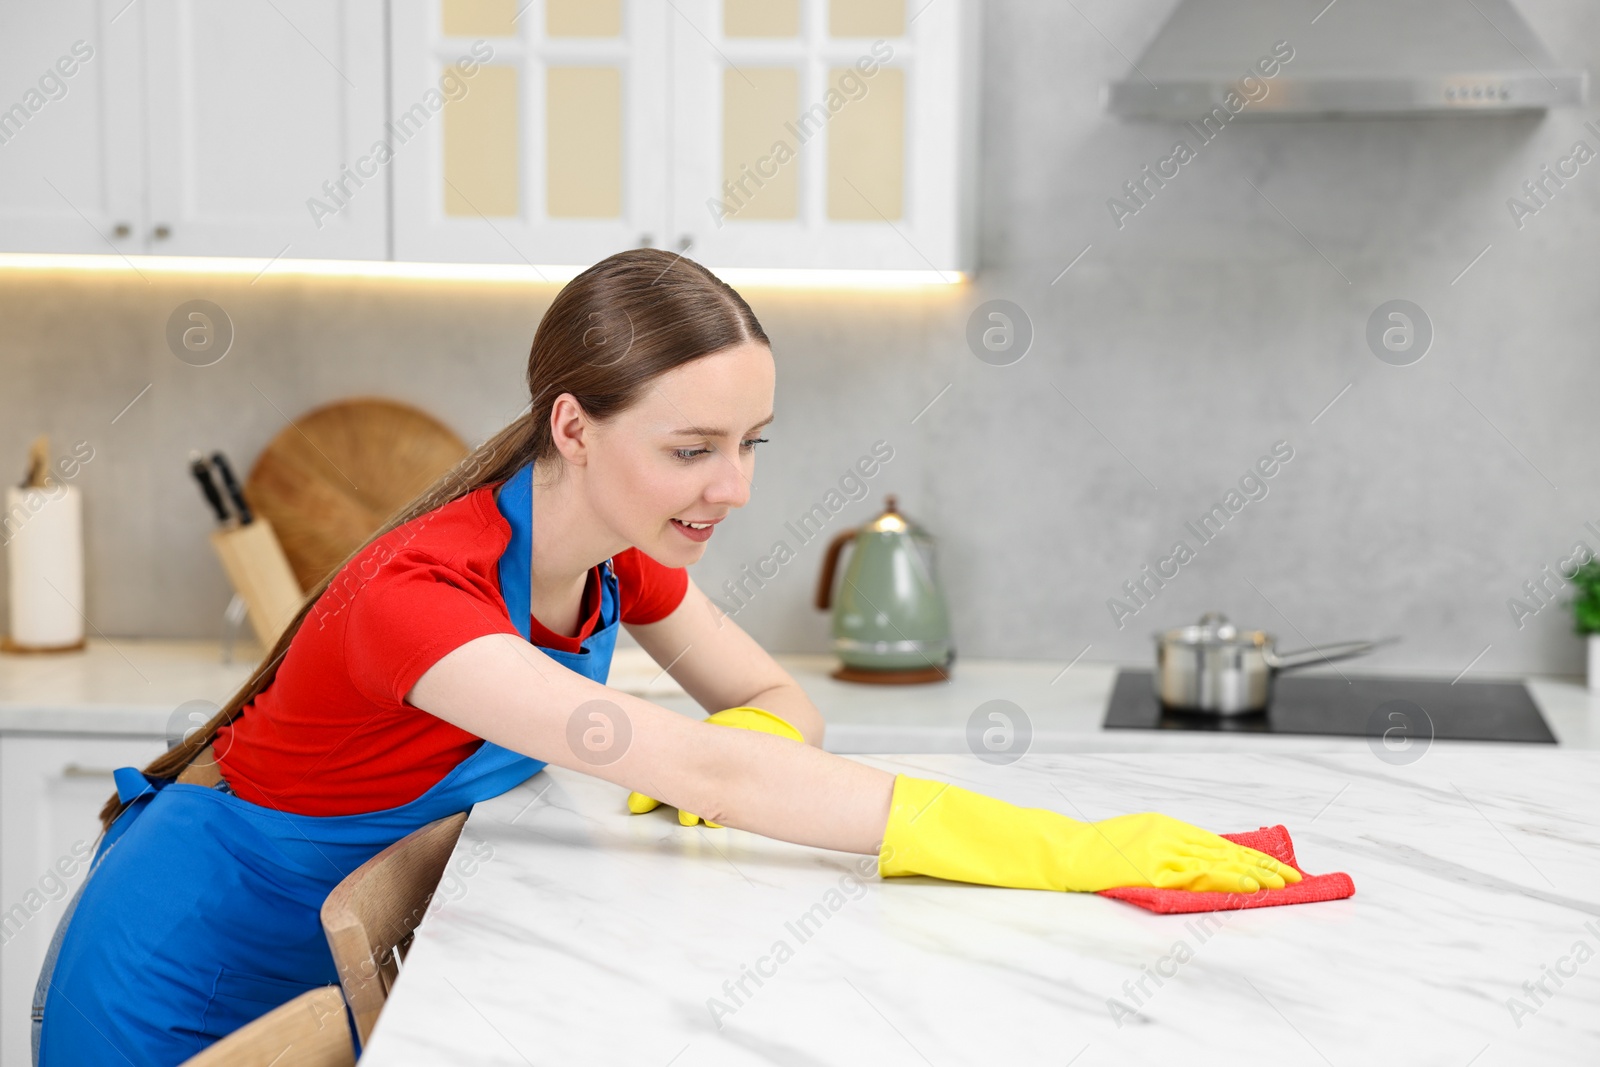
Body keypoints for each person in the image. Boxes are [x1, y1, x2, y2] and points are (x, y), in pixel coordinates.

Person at [34, 249, 1298, 1064]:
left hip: (334, 976)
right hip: (182, 991)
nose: (734, 485)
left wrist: (725, 752)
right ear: (574, 427)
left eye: (752, 440)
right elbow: (734, 771)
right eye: (694, 447)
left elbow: (765, 703)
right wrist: (1064, 848)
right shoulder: (422, 596)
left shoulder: (606, 554)